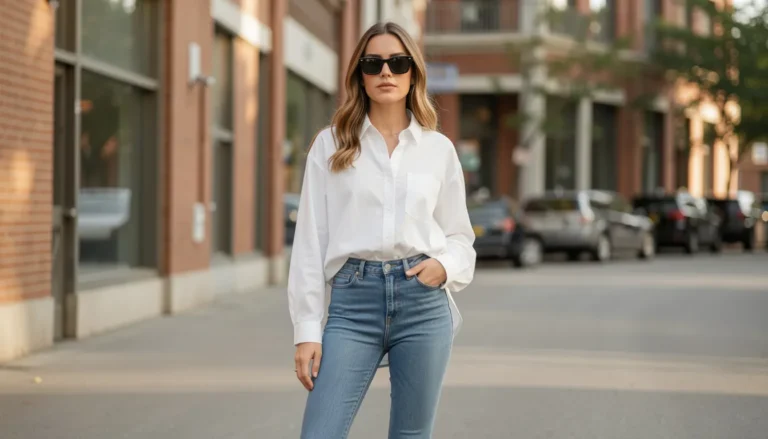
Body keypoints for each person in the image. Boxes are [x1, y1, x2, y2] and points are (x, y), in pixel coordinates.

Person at [287, 21, 477, 439]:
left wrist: (443, 267)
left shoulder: (438, 149)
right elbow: (310, 244)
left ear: (414, 73)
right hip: (353, 304)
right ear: (360, 74)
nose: (386, 72)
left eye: (398, 62)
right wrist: (306, 330)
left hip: (423, 303)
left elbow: (461, 238)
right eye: (374, 63)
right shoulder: (331, 144)